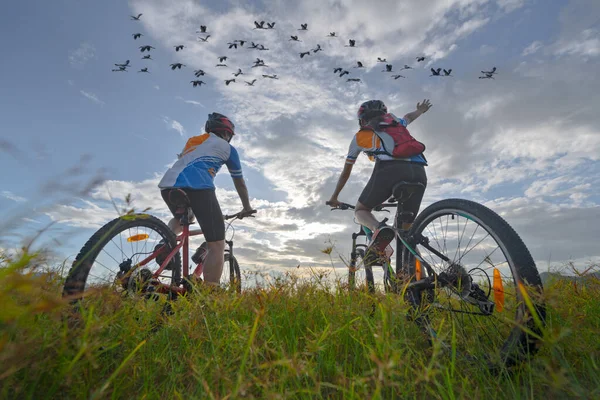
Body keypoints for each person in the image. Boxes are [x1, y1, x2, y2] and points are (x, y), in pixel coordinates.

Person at [158, 112, 255, 285]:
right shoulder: (229, 149)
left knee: (184, 219)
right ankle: (211, 294)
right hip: (198, 187)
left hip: (168, 185)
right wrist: (246, 207)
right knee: (217, 243)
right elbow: (239, 182)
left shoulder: (193, 141)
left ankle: (166, 241)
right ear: (227, 134)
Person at [327, 99, 432, 257]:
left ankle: (379, 229)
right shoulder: (396, 122)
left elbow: (346, 171)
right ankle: (420, 278)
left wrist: (334, 197)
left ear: (362, 120)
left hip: (389, 171)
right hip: (419, 172)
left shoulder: (360, 136)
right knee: (406, 236)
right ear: (384, 115)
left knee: (361, 210)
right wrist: (421, 111)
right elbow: (409, 117)